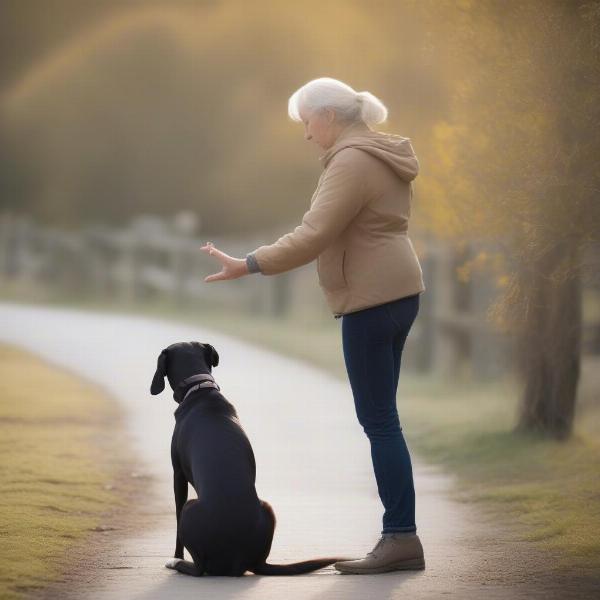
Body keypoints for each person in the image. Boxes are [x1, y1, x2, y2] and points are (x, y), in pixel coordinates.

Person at [199, 77, 426, 574]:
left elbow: (313, 234)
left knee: (380, 421)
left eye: (306, 123)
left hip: (372, 299)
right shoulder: (378, 152)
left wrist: (248, 263)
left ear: (328, 116)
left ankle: (400, 537)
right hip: (396, 292)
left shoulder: (351, 160)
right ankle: (402, 536)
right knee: (383, 419)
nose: (305, 134)